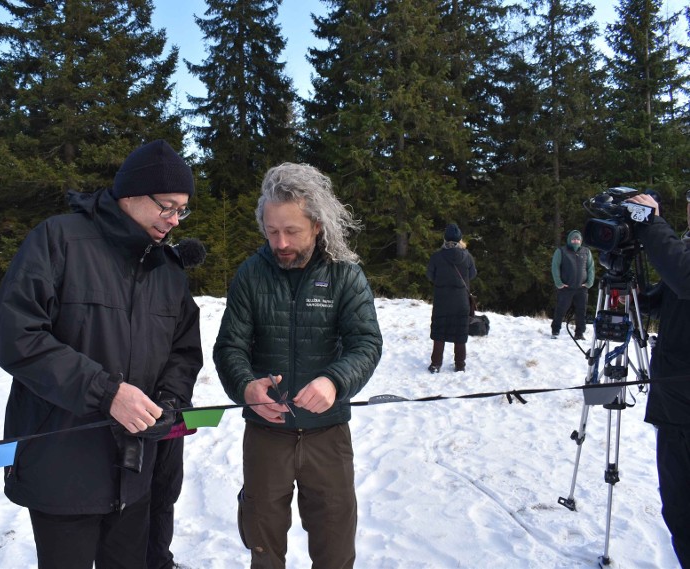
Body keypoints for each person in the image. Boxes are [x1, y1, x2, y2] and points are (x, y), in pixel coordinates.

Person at [0, 139, 204, 569]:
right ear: (131, 194)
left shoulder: (168, 270)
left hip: (135, 474)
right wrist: (106, 393)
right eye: (167, 206)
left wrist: (168, 401)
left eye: (182, 209)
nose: (174, 220)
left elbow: (184, 350)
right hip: (62, 471)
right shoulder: (59, 240)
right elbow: (19, 338)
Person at [213, 162, 383, 569]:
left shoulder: (344, 274)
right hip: (266, 433)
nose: (281, 242)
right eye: (272, 231)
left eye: (292, 231)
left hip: (328, 433)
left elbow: (366, 342)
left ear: (318, 225)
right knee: (263, 544)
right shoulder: (251, 274)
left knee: (335, 547)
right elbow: (229, 348)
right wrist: (247, 387)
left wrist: (334, 381)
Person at [626, 190, 690, 568]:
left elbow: (684, 276)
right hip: (674, 403)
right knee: (678, 508)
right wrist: (625, 278)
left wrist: (651, 223)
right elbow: (663, 298)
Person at [147, 238, 206, 569]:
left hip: (171, 413)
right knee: (131, 500)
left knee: (165, 493)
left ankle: (159, 560)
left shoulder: (173, 278)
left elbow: (185, 351)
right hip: (124, 414)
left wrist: (172, 399)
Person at [425, 223, 477, 373]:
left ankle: (436, 364)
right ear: (460, 239)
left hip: (442, 299)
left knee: (439, 331)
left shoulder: (437, 256)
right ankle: (460, 365)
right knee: (460, 332)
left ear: (445, 239)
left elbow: (430, 275)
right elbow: (473, 274)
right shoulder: (467, 256)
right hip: (461, 300)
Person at [550, 229, 595, 339]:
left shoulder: (586, 251)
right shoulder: (561, 251)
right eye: (574, 239)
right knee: (561, 310)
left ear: (581, 241)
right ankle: (555, 330)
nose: (576, 241)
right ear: (570, 240)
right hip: (566, 287)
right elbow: (555, 267)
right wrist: (559, 283)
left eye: (578, 239)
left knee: (581, 311)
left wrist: (589, 282)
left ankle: (579, 333)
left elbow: (591, 268)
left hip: (581, 288)